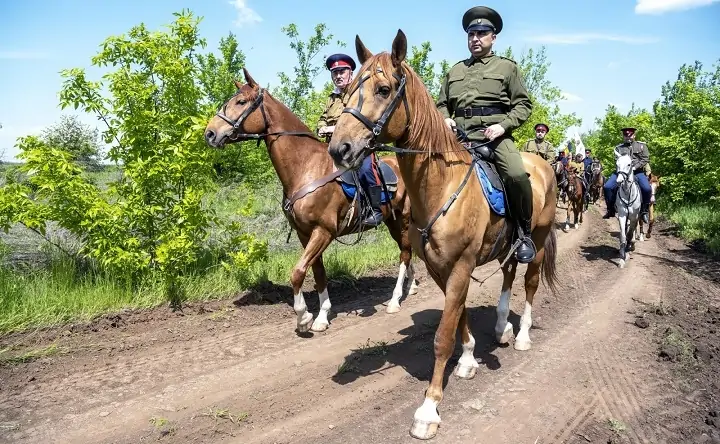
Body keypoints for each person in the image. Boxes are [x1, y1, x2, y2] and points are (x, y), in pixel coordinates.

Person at [437, 6, 536, 263]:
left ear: (494, 37)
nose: (475, 38)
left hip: (494, 138)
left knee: (516, 175)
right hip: (458, 138)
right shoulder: (455, 71)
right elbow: (441, 103)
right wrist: (445, 117)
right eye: (471, 34)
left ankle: (523, 233)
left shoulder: (507, 68)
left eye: (482, 33)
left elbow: (523, 105)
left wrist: (503, 126)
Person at [317, 53, 385, 227]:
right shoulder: (331, 98)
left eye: (342, 71)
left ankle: (376, 210)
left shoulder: (357, 93)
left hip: (356, 145)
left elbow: (355, 119)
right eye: (335, 73)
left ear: (350, 73)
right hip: (333, 146)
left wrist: (333, 128)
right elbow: (323, 118)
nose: (338, 76)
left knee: (365, 169)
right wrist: (321, 126)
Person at [602, 127, 652, 223]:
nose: (628, 137)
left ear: (634, 135)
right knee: (607, 187)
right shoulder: (618, 148)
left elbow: (645, 159)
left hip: (637, 171)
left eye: (630, 135)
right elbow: (616, 160)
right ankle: (611, 209)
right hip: (621, 172)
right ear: (623, 136)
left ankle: (644, 211)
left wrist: (635, 167)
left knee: (647, 188)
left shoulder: (641, 146)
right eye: (626, 135)